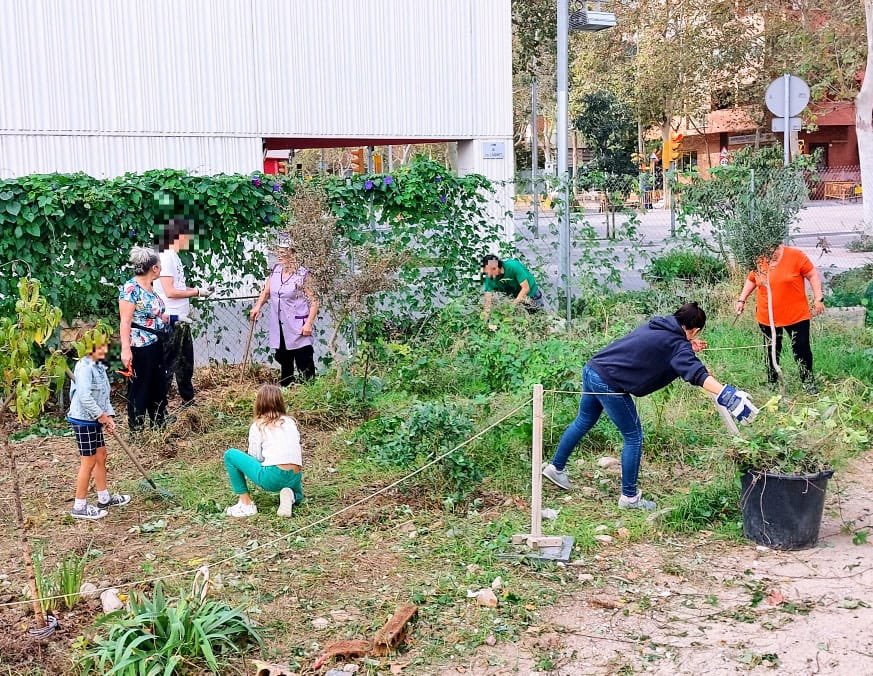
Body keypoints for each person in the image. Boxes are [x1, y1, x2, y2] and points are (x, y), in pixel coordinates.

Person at [542, 303, 758, 510]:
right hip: (609, 382)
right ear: (695, 330)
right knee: (633, 436)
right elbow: (697, 373)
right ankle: (629, 497)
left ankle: (555, 468)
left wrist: (688, 347)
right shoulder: (677, 345)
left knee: (584, 420)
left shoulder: (660, 325)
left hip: (593, 369)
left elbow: (660, 350)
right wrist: (727, 394)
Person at [735, 244, 825, 394]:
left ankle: (808, 381)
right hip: (767, 316)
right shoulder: (759, 258)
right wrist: (741, 300)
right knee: (771, 349)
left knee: (801, 349)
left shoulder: (796, 256)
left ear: (778, 243)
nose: (771, 253)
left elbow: (812, 275)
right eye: (768, 249)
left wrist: (818, 298)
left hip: (796, 316)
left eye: (775, 249)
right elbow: (752, 279)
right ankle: (772, 381)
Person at [67, 335, 131, 520]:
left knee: (101, 455)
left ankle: (104, 498)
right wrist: (100, 416)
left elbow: (103, 395)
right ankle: (79, 506)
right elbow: (85, 397)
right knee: (88, 461)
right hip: (83, 420)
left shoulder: (100, 366)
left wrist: (108, 415)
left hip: (95, 418)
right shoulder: (84, 367)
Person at [154, 218, 214, 406]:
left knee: (185, 362)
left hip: (181, 319)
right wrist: (196, 292)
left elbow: (178, 287)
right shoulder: (165, 256)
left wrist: (199, 290)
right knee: (168, 365)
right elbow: (170, 292)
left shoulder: (174, 255)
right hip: (170, 319)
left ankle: (188, 400)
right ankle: (159, 410)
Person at [223, 384, 304, 518]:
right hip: (295, 475)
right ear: (280, 402)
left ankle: (246, 504)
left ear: (259, 404)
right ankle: (291, 495)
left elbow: (255, 456)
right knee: (298, 494)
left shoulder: (258, 425)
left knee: (230, 455)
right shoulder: (290, 422)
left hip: (272, 476)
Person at [250, 239, 319, 386]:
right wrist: (257, 306)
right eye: (278, 252)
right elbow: (267, 292)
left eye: (283, 252)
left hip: (298, 325)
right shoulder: (276, 270)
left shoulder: (303, 274)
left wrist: (309, 324)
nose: (279, 255)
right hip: (280, 325)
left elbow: (314, 301)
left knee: (303, 360)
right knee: (284, 359)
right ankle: (286, 388)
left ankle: (310, 389)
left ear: (293, 254)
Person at [119, 246, 170, 430]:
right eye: (160, 265)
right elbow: (125, 321)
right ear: (154, 268)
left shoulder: (150, 288)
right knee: (140, 389)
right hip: (140, 347)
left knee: (158, 387)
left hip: (156, 343)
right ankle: (137, 430)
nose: (161, 268)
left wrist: (168, 319)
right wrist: (126, 349)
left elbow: (152, 314)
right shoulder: (131, 289)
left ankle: (159, 426)